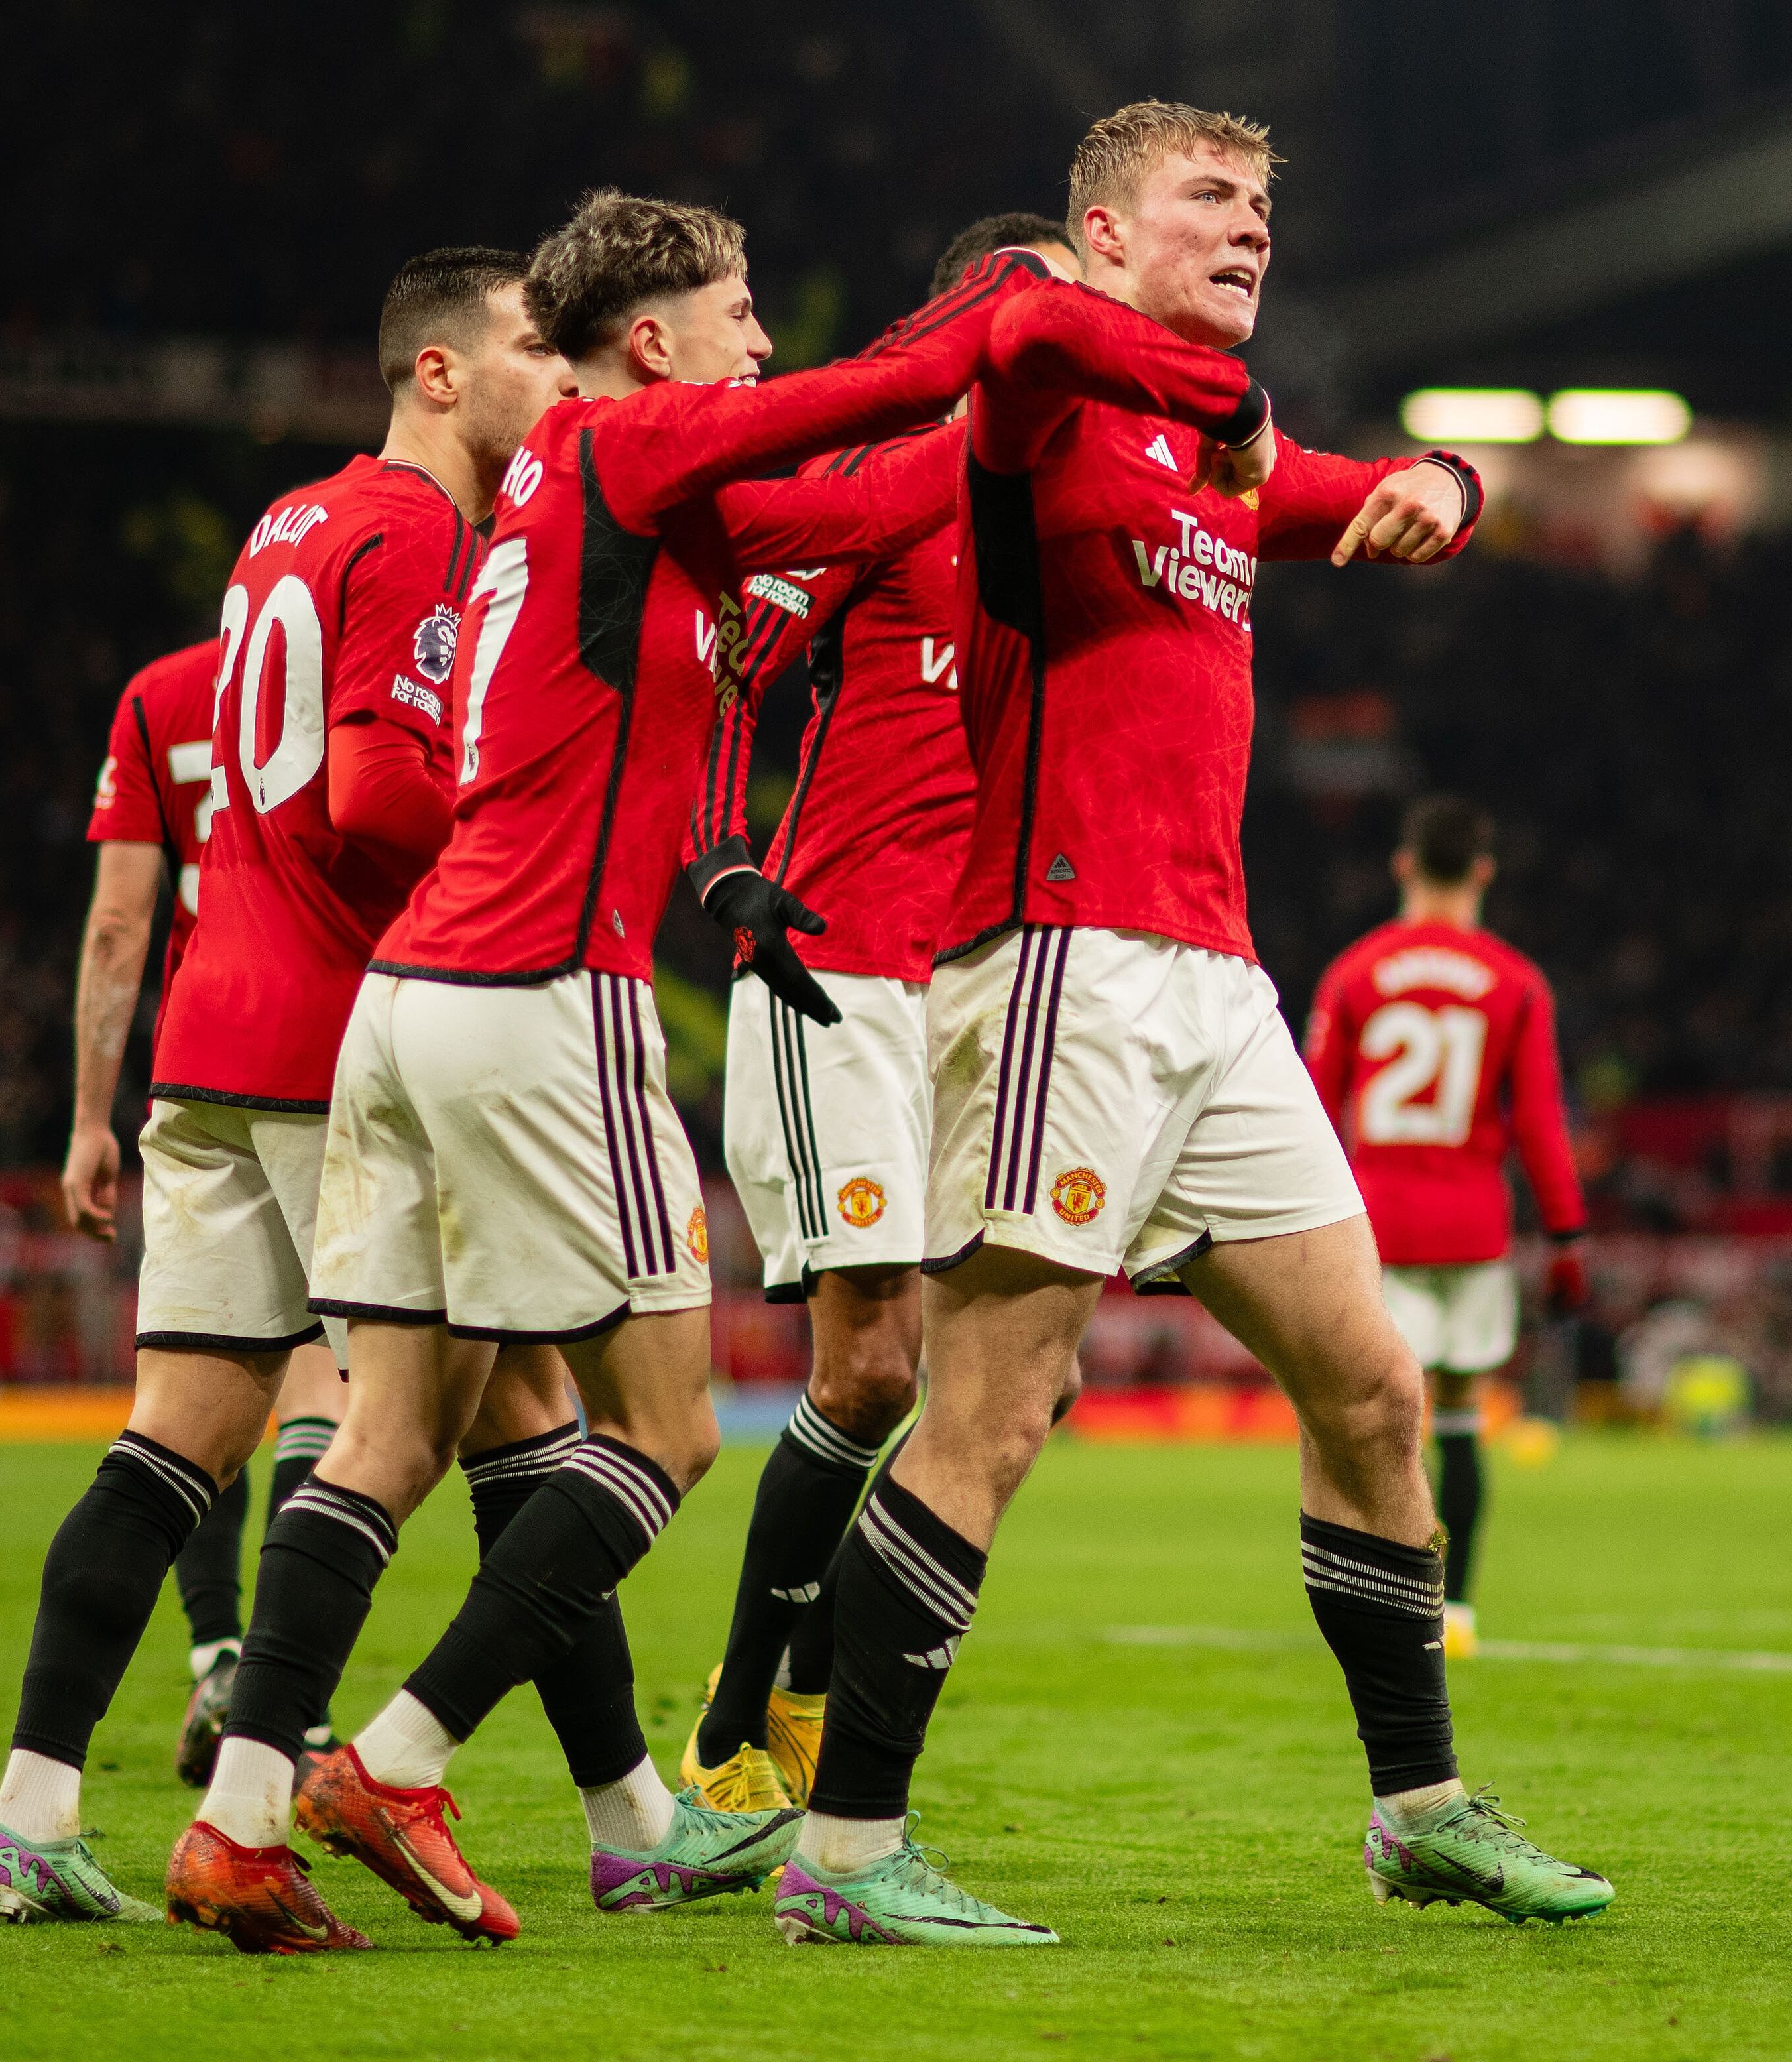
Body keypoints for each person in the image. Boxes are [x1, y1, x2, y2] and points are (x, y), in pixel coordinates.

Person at [166, 190, 1226, 1954]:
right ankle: (404, 1756)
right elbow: (858, 414)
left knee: (394, 1431)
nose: (762, 340)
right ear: (652, 339)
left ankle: (237, 1815)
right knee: (662, 1429)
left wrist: (997, 450)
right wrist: (1027, 335)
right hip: (541, 993)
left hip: (411, 998)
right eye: (738, 310)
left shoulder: (569, 493)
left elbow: (858, 496)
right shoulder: (634, 441)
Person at [780, 101, 1612, 1951]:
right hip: (1060, 954)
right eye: (1208, 201)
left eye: (1261, 208)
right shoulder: (1040, 402)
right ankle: (841, 1849)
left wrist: (1445, 492)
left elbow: (1396, 480)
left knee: (1379, 1388)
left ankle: (1418, 1808)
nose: (1249, 230)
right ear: (1099, 230)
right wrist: (1232, 413)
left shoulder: (1205, 444)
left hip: (1218, 984)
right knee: (990, 1412)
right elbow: (1017, 326)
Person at [0, 250, 566, 1928]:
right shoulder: (430, 531)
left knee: (173, 1443)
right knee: (447, 1434)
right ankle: (264, 1810)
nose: (560, 378)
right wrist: (521, 847)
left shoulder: (284, 525)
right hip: (333, 1042)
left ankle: (27, 1815)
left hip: (207, 1035)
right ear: (436, 374)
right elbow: (374, 791)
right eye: (530, 349)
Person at [677, 210, 1085, 1820]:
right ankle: (733, 1723)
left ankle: (802, 1692)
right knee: (864, 1373)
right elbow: (725, 668)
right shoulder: (887, 471)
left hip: (991, 981)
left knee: (1021, 1387)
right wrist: (721, 863)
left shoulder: (1072, 504)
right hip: (836, 959)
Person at [71, 638, 355, 1787]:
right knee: (344, 1388)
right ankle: (290, 1701)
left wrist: (90, 1118)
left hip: (197, 1055)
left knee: (184, 1403)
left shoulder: (159, 695)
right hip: (328, 1050)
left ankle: (212, 1658)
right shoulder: (362, 673)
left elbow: (116, 926)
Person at [1301, 794, 1588, 1656]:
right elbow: (1539, 1121)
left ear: (1403, 866)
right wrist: (1567, 1235)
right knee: (1461, 1419)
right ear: (1484, 873)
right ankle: (1456, 1612)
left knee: (1377, 1428)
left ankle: (1393, 1609)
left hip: (1379, 1231)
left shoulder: (1354, 973)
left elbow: (1313, 1109)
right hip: (1475, 1232)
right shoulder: (1516, 981)